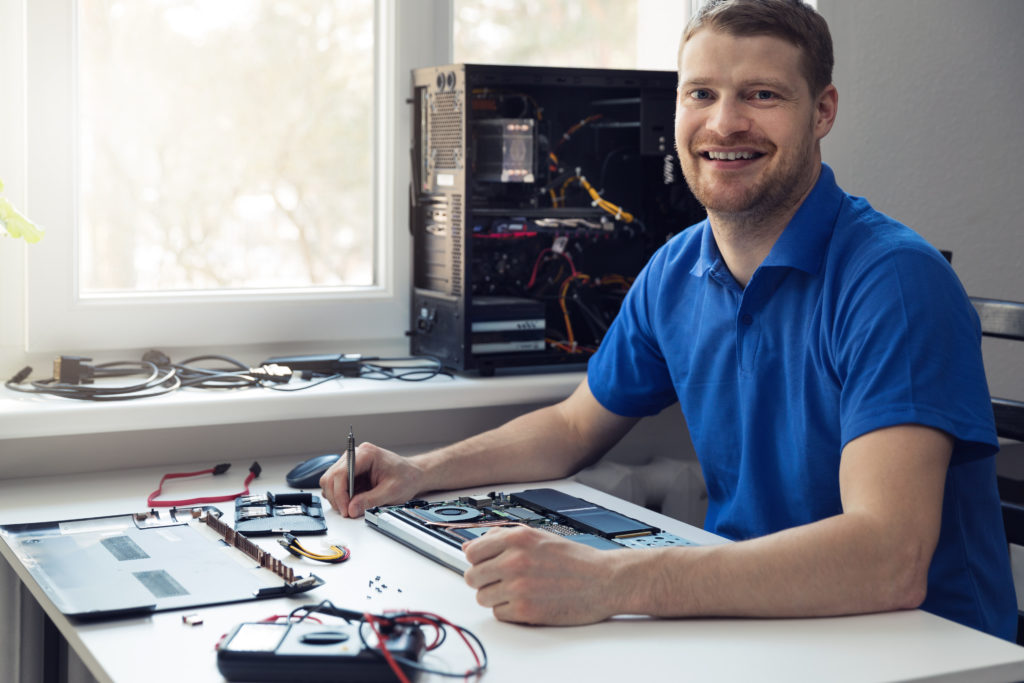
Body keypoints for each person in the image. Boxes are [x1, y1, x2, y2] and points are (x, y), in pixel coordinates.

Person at [321, 0, 1016, 639]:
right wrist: (419, 470)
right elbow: (570, 428)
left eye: (762, 95)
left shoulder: (894, 280)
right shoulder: (678, 267)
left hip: (921, 648)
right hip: (765, 624)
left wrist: (608, 580)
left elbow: (886, 557)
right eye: (701, 94)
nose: (724, 123)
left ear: (823, 110)